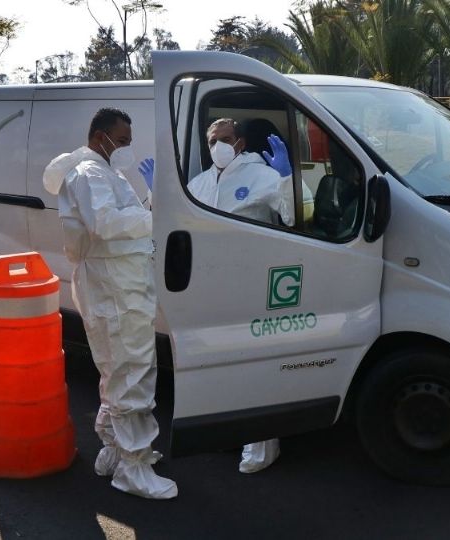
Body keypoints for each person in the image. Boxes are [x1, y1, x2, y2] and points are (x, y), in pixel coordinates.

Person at [42, 108, 176, 499]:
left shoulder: (107, 172)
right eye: (122, 141)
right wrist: (155, 213)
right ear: (101, 136)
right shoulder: (88, 174)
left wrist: (149, 204)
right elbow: (105, 223)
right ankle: (132, 471)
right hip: (113, 289)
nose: (126, 150)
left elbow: (121, 218)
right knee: (129, 372)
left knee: (122, 370)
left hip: (122, 287)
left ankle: (119, 450)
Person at [188, 117, 305, 474]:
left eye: (223, 139)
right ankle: (225, 430)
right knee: (220, 363)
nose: (217, 146)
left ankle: (261, 447)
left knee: (257, 363)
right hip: (210, 285)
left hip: (253, 281)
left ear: (239, 142)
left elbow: (296, 214)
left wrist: (287, 179)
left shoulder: (261, 175)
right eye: (211, 141)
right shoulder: (200, 181)